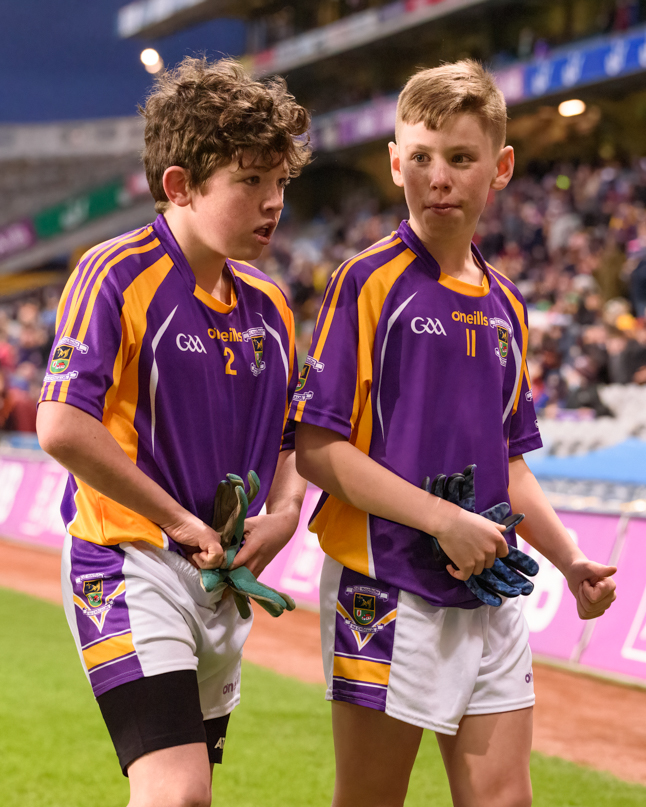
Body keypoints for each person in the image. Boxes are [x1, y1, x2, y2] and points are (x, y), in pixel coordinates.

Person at [292, 60, 617, 807]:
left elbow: (510, 464)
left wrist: (568, 559)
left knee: (506, 799)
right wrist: (444, 520)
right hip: (385, 582)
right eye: (425, 157)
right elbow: (317, 448)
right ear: (396, 162)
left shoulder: (509, 304)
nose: (441, 176)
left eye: (462, 158)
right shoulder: (366, 283)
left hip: (490, 585)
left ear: (500, 168)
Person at [36, 57, 309, 807]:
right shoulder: (114, 272)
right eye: (250, 182)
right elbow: (58, 424)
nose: (273, 202)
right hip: (125, 560)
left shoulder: (271, 304)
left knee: (189, 794)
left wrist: (285, 514)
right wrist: (179, 519)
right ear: (180, 185)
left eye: (280, 183)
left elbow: (294, 437)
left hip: (219, 581)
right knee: (175, 790)